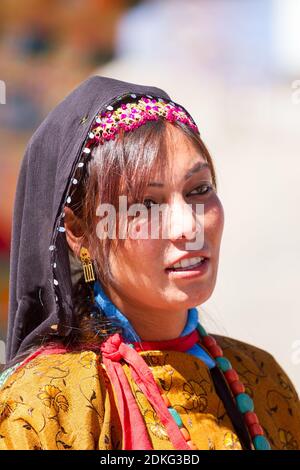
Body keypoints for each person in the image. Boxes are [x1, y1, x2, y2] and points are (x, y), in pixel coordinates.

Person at [0, 76, 299, 451]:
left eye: (199, 190)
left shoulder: (263, 380)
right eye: (145, 205)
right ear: (80, 234)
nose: (188, 227)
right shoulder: (45, 403)